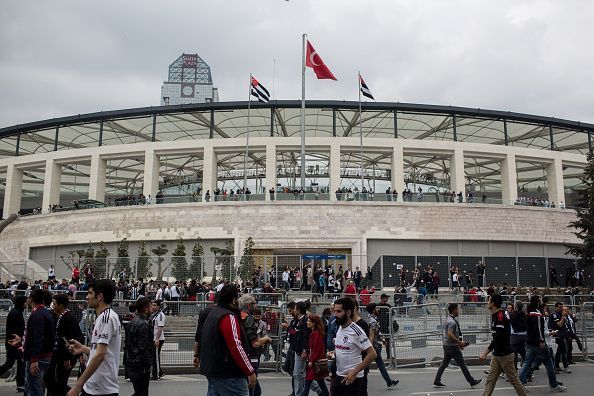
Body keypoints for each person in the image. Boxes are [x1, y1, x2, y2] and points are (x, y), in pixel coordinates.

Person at [66, 279, 121, 396]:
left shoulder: (108, 318)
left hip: (102, 389)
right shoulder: (102, 317)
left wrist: (78, 385)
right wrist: (83, 349)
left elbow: (100, 355)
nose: (87, 297)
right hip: (93, 386)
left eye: (90, 293)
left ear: (100, 296)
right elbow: (102, 351)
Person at [199, 285, 256, 395]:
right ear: (234, 300)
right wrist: (250, 370)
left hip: (212, 369)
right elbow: (236, 346)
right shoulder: (228, 316)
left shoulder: (213, 314)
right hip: (229, 372)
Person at [8, 289, 54, 396]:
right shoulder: (42, 313)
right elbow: (35, 336)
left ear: (31, 299)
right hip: (40, 356)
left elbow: (39, 337)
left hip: (38, 358)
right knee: (31, 387)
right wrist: (21, 340)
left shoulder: (38, 315)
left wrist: (34, 359)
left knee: (34, 389)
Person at [479, 294, 527, 396]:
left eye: (489, 301)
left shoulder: (500, 316)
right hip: (497, 355)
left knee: (514, 381)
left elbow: (498, 338)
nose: (487, 303)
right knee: (490, 380)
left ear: (493, 303)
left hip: (505, 355)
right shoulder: (495, 315)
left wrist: (485, 353)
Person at [518, 295, 566, 392]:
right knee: (549, 364)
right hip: (538, 344)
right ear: (538, 302)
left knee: (527, 364)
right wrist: (541, 341)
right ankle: (554, 385)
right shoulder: (537, 314)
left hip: (529, 342)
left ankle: (519, 384)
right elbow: (539, 329)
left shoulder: (528, 314)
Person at [330, 297, 376, 396]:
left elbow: (372, 354)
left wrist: (354, 372)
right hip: (339, 376)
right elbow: (344, 349)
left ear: (348, 312)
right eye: (334, 311)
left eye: (339, 311)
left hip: (353, 378)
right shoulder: (340, 328)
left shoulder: (356, 331)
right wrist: (333, 354)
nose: (335, 314)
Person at [433, 303, 482, 388]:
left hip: (446, 345)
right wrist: (460, 343)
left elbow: (451, 334)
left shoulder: (448, 319)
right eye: (457, 309)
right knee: (462, 364)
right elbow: (450, 334)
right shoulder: (452, 322)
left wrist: (459, 343)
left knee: (444, 363)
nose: (458, 311)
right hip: (452, 346)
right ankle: (471, 381)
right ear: (454, 310)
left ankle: (437, 380)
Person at [46, 292, 84, 396]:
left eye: (55, 304)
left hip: (67, 355)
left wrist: (67, 358)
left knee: (61, 381)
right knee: (58, 381)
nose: (53, 306)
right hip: (62, 355)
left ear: (61, 305)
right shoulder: (63, 317)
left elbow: (68, 340)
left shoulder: (67, 318)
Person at [237, 294, 272, 396]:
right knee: (252, 387)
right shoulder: (248, 319)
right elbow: (255, 343)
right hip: (250, 355)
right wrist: (266, 339)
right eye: (253, 304)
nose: (255, 306)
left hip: (241, 355)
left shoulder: (236, 316)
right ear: (248, 305)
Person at [366, 303, 399, 388]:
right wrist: (370, 347)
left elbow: (375, 334)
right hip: (373, 346)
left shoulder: (372, 319)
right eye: (376, 308)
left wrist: (381, 340)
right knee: (375, 365)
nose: (378, 310)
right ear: (373, 310)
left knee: (377, 364)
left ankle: (389, 381)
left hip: (373, 345)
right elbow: (371, 335)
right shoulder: (372, 321)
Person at [125, 297, 153, 396]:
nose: (152, 309)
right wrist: (146, 366)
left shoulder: (132, 322)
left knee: (139, 391)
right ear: (146, 309)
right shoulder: (144, 324)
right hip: (140, 365)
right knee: (142, 392)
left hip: (132, 362)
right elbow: (143, 347)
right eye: (150, 307)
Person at [0, 295, 27, 392]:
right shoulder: (16, 313)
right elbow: (13, 330)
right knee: (10, 363)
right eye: (25, 302)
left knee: (20, 363)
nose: (26, 303)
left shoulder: (16, 312)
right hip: (13, 343)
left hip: (15, 343)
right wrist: (16, 342)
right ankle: (20, 384)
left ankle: (20, 384)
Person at [300, 314, 329, 396]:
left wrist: (311, 361)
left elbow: (316, 349)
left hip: (315, 362)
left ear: (314, 323)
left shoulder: (316, 334)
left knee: (308, 381)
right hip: (314, 361)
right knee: (320, 381)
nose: (307, 322)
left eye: (309, 321)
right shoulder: (314, 333)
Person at [549, 302, 571, 373]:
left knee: (560, 350)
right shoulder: (554, 315)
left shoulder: (561, 314)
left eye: (562, 307)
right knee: (564, 350)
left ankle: (556, 366)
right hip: (558, 334)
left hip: (563, 333)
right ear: (556, 307)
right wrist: (563, 316)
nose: (561, 309)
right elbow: (560, 325)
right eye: (560, 307)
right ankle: (565, 366)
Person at [151, 299, 166, 380]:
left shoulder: (160, 315)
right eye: (152, 305)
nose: (153, 307)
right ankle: (159, 372)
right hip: (154, 338)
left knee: (155, 357)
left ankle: (156, 375)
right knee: (154, 357)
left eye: (154, 305)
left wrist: (157, 339)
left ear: (158, 306)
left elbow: (160, 327)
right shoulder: (154, 315)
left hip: (158, 339)